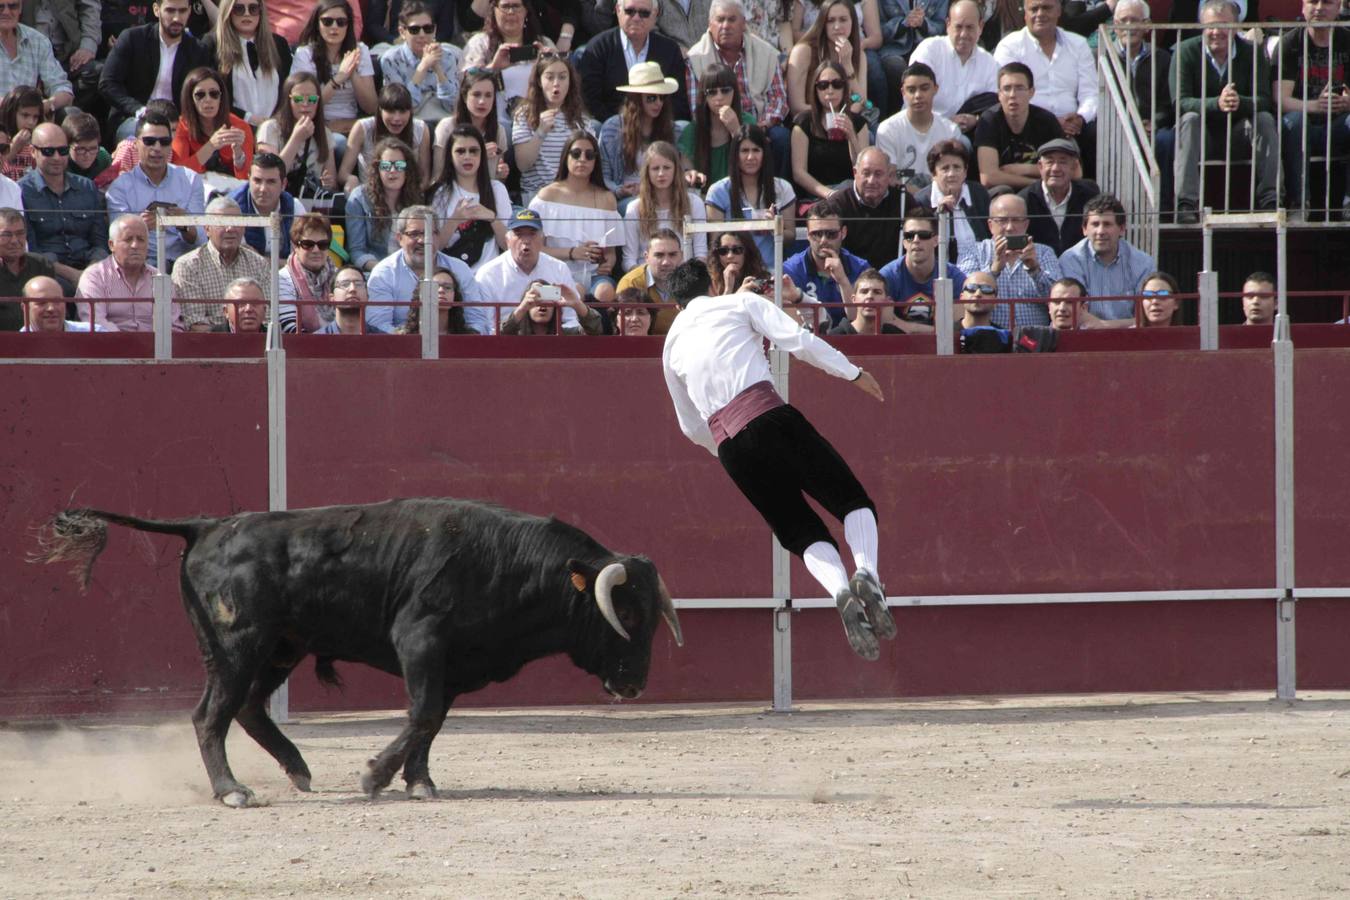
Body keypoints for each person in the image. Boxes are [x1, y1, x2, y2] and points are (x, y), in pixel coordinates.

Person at [660, 258, 894, 661]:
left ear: (675, 302)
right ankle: (867, 574)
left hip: (730, 446)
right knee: (851, 500)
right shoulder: (738, 304)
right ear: (712, 285)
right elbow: (799, 341)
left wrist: (727, 447)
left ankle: (840, 590)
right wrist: (852, 373)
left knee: (800, 531)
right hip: (769, 415)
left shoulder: (670, 346)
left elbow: (689, 426)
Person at [1170, 0, 1278, 221]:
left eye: (1224, 26)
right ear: (1201, 27)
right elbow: (1179, 102)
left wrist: (1240, 102)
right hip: (1202, 136)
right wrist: (1215, 104)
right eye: (1210, 26)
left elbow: (1265, 100)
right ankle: (1186, 203)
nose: (1216, 32)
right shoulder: (1184, 51)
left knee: (1265, 119)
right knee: (1189, 119)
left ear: (1236, 26)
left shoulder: (1252, 52)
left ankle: (1271, 198)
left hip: (1240, 133)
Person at [993, 0, 1097, 172]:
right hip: (1029, 124)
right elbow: (1009, 94)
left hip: (1074, 125)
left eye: (1047, 8)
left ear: (1059, 11)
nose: (1040, 14)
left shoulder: (1078, 44)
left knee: (1097, 134)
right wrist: (1052, 123)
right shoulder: (1009, 46)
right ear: (1025, 13)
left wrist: (1080, 118)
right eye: (1034, 9)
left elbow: (1091, 93)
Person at [686, 0, 790, 164]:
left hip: (760, 124)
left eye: (732, 19)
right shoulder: (695, 58)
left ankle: (778, 188)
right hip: (716, 128)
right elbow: (696, 107)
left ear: (743, 23)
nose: (725, 26)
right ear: (709, 24)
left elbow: (778, 99)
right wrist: (727, 127)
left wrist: (762, 125)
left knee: (781, 137)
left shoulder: (767, 53)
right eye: (720, 20)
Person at [529, 130, 624, 306]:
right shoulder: (547, 195)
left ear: (596, 161)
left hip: (595, 276)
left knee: (606, 292)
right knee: (575, 291)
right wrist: (572, 253)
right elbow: (535, 249)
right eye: (576, 153)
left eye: (589, 155)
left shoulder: (607, 198)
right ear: (566, 157)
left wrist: (607, 265)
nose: (582, 159)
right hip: (553, 276)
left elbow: (611, 254)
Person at [1275, 0, 1350, 218]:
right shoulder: (1290, 43)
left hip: (1337, 127)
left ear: (1339, 8)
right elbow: (1280, 100)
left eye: (1327, 2)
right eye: (1312, 1)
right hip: (1299, 130)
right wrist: (1316, 106)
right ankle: (1299, 204)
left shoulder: (1347, 41)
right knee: (1296, 120)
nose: (1319, 8)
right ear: (1302, 7)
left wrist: (1347, 102)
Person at [105, 111, 207, 268]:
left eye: (164, 141)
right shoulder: (119, 188)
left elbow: (201, 241)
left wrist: (185, 224)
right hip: (139, 265)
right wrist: (139, 226)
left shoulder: (191, 179)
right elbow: (117, 244)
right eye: (149, 141)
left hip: (185, 264)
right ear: (136, 144)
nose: (157, 148)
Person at [100, 0, 211, 143]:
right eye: (170, 11)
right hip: (134, 119)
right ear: (156, 10)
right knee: (146, 138)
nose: (177, 18)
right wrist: (137, 109)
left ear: (190, 11)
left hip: (179, 123)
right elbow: (107, 83)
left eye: (182, 11)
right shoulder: (132, 38)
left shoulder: (198, 50)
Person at [368, 204, 488, 333]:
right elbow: (378, 325)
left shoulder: (459, 269)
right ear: (400, 238)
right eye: (414, 234)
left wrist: (462, 342)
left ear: (438, 236)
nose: (423, 240)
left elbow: (477, 320)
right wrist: (411, 342)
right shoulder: (384, 273)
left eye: (429, 233)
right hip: (400, 348)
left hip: (454, 345)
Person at [19, 122, 107, 292]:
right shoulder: (22, 191)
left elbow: (100, 241)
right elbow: (31, 251)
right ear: (32, 152)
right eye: (48, 151)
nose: (57, 157)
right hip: (47, 272)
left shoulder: (87, 187)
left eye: (63, 151)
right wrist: (74, 275)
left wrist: (89, 274)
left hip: (90, 269)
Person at [471, 207, 586, 334]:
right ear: (507, 240)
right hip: (506, 341)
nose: (526, 241)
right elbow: (487, 326)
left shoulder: (558, 268)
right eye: (519, 234)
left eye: (532, 233)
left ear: (542, 239)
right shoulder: (488, 274)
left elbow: (570, 318)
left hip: (550, 340)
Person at [956, 191, 1061, 327]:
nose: (1010, 227)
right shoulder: (973, 251)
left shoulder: (1044, 252)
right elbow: (966, 296)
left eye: (1016, 220)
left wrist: (1035, 269)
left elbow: (1059, 299)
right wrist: (994, 270)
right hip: (989, 339)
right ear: (990, 225)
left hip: (1034, 339)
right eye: (1003, 221)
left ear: (1026, 224)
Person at [579, 0, 691, 123]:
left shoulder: (669, 50)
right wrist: (622, 124)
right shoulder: (598, 48)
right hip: (613, 126)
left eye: (644, 13)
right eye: (630, 11)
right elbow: (590, 101)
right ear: (618, 10)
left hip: (659, 129)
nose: (636, 18)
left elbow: (678, 102)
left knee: (682, 125)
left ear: (655, 15)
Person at [173, 196, 274, 330]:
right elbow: (195, 325)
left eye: (235, 222)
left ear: (244, 228)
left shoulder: (259, 263)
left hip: (256, 343)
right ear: (207, 228)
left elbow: (269, 318)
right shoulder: (188, 266)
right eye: (222, 222)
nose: (230, 228)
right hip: (211, 347)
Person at [1058, 194, 1157, 327]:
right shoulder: (1070, 259)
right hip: (1085, 337)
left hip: (1130, 339)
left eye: (1107, 224)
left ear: (1122, 229)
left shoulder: (1144, 263)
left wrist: (1104, 325)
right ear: (1084, 229)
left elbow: (1145, 318)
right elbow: (1076, 314)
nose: (1100, 231)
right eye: (1095, 224)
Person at [77, 214, 186, 333]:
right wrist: (130, 344)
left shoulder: (161, 279)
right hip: (110, 348)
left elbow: (173, 326)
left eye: (141, 239)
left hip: (156, 349)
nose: (135, 245)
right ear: (111, 245)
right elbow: (95, 323)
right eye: (128, 240)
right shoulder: (94, 277)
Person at [706, 125, 796, 264]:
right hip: (734, 273)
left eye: (756, 150)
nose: (750, 157)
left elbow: (791, 236)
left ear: (764, 153)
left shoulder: (783, 188)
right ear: (735, 155)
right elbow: (716, 245)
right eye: (744, 151)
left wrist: (775, 228)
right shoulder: (718, 191)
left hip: (772, 273)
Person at [511, 53, 593, 203]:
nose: (556, 83)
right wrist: (541, 131)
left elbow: (591, 163)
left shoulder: (582, 119)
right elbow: (522, 164)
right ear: (539, 81)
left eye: (562, 77)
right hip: (537, 195)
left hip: (573, 195)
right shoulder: (524, 114)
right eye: (549, 77)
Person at [431, 123, 512, 274]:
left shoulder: (497, 189)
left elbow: (509, 246)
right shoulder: (441, 193)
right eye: (460, 151)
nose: (467, 156)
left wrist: (492, 218)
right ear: (450, 155)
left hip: (489, 277)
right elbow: (434, 247)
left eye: (474, 151)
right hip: (452, 276)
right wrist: (455, 219)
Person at [909, 0, 999, 134]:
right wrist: (946, 123)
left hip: (967, 137)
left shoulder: (990, 64)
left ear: (980, 27)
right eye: (958, 27)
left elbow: (995, 109)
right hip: (923, 130)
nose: (963, 34)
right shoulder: (929, 51)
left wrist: (976, 119)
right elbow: (913, 100)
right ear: (948, 25)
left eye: (969, 27)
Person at [291, 0, 378, 138]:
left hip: (353, 125)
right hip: (316, 124)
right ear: (317, 24)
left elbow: (371, 106)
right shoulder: (304, 54)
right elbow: (306, 104)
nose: (334, 27)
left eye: (341, 22)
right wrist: (339, 77)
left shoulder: (360, 51)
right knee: (338, 143)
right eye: (327, 21)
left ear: (348, 25)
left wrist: (352, 72)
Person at [973, 61, 1065, 190]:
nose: (1012, 95)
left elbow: (1073, 170)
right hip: (1006, 194)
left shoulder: (1046, 120)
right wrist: (1037, 185)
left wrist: (1025, 169)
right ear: (999, 94)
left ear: (1031, 92)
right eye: (1006, 88)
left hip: (1041, 192)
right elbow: (989, 177)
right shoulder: (989, 120)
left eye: (1019, 88)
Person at [460, 0, 557, 119]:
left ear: (525, 10)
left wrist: (550, 67)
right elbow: (465, 84)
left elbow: (563, 84)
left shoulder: (544, 43)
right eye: (505, 6)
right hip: (492, 118)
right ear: (494, 10)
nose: (511, 12)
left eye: (516, 6)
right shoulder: (479, 43)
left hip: (539, 116)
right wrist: (493, 68)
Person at [203, 0, 293, 128]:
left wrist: (274, 120)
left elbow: (288, 89)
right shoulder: (212, 44)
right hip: (231, 127)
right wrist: (248, 118)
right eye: (239, 9)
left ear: (261, 11)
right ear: (228, 11)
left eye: (253, 8)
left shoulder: (278, 44)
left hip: (275, 128)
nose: (247, 14)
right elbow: (211, 95)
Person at [790, 60, 870, 203]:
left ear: (845, 88)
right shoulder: (803, 122)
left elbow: (863, 169)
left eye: (837, 84)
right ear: (815, 90)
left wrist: (851, 135)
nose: (830, 90)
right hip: (816, 197)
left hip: (850, 194)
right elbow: (799, 173)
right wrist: (829, 194)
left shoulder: (858, 123)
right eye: (823, 85)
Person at [878, 207, 967, 331]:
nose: (916, 240)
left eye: (923, 235)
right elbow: (886, 323)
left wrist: (910, 328)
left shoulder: (954, 277)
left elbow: (958, 325)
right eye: (909, 236)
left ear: (936, 240)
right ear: (904, 242)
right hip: (897, 344)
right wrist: (931, 331)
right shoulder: (888, 276)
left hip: (942, 348)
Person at [874, 62, 963, 187]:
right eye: (911, 90)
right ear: (903, 92)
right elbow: (890, 178)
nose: (918, 95)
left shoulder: (950, 130)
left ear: (935, 89)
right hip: (902, 198)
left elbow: (954, 176)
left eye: (924, 88)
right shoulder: (887, 129)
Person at [599, 62, 680, 199]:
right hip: (626, 197)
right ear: (635, 99)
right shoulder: (612, 128)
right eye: (651, 98)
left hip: (662, 195)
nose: (658, 103)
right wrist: (620, 190)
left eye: (662, 97)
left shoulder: (672, 129)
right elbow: (603, 177)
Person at [623, 140, 708, 270]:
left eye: (667, 167)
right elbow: (629, 260)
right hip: (647, 277)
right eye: (655, 168)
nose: (661, 173)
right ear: (647, 172)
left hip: (685, 276)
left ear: (676, 170)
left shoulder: (694, 203)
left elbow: (701, 253)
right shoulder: (634, 208)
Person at [783, 202, 868, 328]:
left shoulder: (861, 269)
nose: (823, 240)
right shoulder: (790, 270)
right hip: (809, 341)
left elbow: (860, 320)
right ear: (807, 234)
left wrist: (843, 281)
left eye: (831, 234)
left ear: (843, 233)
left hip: (850, 341)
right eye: (816, 234)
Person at [347, 138, 425, 273]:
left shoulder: (418, 198)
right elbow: (356, 251)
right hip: (375, 271)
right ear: (378, 169)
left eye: (399, 165)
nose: (393, 170)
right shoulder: (359, 198)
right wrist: (384, 270)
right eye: (386, 166)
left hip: (411, 270)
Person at [256, 71, 339, 197]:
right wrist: (296, 138)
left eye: (312, 99)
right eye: (298, 99)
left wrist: (327, 182)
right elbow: (271, 175)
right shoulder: (270, 129)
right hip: (278, 199)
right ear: (287, 100)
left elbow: (332, 183)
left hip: (310, 203)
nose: (305, 104)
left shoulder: (325, 134)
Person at [678, 62, 758, 191]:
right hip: (706, 199)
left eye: (725, 90)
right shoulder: (692, 131)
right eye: (712, 92)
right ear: (704, 96)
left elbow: (753, 166)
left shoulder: (748, 122)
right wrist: (690, 175)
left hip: (742, 194)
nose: (719, 97)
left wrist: (736, 131)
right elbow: (687, 171)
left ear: (734, 92)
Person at [339, 84, 432, 191]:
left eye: (402, 112)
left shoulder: (420, 129)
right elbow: (343, 173)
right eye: (391, 111)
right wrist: (351, 179)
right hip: (370, 194)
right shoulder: (362, 128)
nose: (397, 118)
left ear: (410, 112)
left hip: (407, 196)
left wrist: (411, 195)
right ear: (380, 110)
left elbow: (425, 177)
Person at [785, 0, 869, 119]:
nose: (837, 26)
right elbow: (796, 107)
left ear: (853, 22)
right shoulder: (803, 51)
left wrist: (847, 65)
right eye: (830, 21)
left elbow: (862, 102)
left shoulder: (859, 55)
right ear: (822, 24)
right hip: (811, 122)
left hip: (847, 121)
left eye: (843, 20)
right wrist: (833, 115)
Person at [379, 2, 462, 122]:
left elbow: (453, 106)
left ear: (434, 30)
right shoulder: (390, 60)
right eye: (414, 30)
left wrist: (438, 69)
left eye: (428, 29)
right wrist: (423, 67)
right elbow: (401, 107)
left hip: (444, 120)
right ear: (402, 32)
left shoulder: (448, 56)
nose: (422, 35)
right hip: (409, 123)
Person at [826, 146, 903, 271]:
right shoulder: (837, 204)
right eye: (866, 173)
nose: (871, 181)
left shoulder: (903, 201)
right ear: (855, 173)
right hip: (849, 277)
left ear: (889, 176)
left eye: (878, 174)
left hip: (892, 280)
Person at [173, 67, 255, 180]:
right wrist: (211, 146)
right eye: (200, 95)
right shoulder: (181, 126)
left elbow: (247, 178)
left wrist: (239, 155)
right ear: (191, 99)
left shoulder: (239, 127)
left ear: (221, 98)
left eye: (214, 94)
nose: (208, 99)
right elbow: (178, 173)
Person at [432, 69, 511, 187]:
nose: (482, 101)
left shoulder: (499, 131)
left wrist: (501, 174)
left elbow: (496, 181)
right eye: (476, 94)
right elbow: (438, 175)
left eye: (488, 95)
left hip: (486, 195)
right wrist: (479, 154)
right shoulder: (447, 127)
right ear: (464, 96)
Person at [1019, 137, 1097, 255]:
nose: (1055, 169)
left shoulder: (1089, 197)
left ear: (1074, 167)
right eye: (1049, 162)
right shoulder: (1024, 200)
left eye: (1063, 162)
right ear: (1040, 167)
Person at [0, 1, 73, 116]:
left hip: (30, 120)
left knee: (71, 114)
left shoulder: (38, 41)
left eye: (13, 6)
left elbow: (62, 88)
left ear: (20, 8)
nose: (6, 12)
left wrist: (48, 105)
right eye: (0, 7)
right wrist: (10, 106)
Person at [228, 152, 305, 259]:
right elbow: (240, 262)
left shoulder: (295, 207)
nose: (263, 189)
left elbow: (302, 260)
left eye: (271, 182)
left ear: (283, 184)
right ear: (248, 180)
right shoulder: (232, 208)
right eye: (257, 181)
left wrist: (259, 259)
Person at [924, 139, 991, 261]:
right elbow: (922, 244)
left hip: (978, 270)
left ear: (965, 172)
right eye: (945, 168)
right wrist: (937, 215)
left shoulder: (978, 194)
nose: (951, 174)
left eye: (957, 167)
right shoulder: (921, 201)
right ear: (933, 174)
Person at [614, 225, 683, 333]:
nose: (666, 262)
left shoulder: (691, 284)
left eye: (672, 255)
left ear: (681, 256)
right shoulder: (631, 283)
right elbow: (625, 330)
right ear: (646, 257)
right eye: (659, 255)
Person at [275, 213, 337, 333]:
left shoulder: (340, 277)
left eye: (322, 244)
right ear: (295, 246)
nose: (316, 250)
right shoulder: (283, 279)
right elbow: (290, 328)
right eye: (308, 244)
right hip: (300, 348)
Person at [0, 205, 59, 330]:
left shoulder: (42, 265)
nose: (15, 240)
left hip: (38, 342)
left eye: (20, 233)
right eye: (6, 235)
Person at [499, 277, 604, 334]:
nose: (542, 304)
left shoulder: (565, 335)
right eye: (536, 300)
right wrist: (522, 308)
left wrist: (577, 304)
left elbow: (594, 330)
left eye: (547, 299)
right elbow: (500, 334)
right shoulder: (516, 336)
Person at [399, 265, 478, 334]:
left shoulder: (468, 337)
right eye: (434, 287)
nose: (441, 291)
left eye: (447, 287)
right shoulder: (403, 336)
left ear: (455, 296)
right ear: (421, 293)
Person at [828, 267, 906, 334]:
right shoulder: (834, 337)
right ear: (854, 299)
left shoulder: (897, 336)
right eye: (864, 292)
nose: (870, 296)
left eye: (877, 292)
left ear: (887, 301)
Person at [20, 275, 107, 332]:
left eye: (57, 301)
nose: (51, 308)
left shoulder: (95, 333)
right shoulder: (16, 345)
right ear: (25, 307)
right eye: (42, 302)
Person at [316, 264, 382, 333]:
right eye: (345, 284)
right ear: (332, 298)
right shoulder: (314, 341)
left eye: (358, 284)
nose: (352, 289)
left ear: (367, 296)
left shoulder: (384, 341)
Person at [707, 229, 770, 296]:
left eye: (737, 250)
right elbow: (720, 307)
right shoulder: (712, 281)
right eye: (723, 250)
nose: (730, 256)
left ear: (747, 252)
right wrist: (728, 289)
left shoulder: (762, 278)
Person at [62, 112, 113, 190]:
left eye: (93, 148)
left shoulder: (103, 158)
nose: (87, 155)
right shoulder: (60, 165)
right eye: (81, 149)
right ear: (67, 145)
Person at [0, 84, 39, 181]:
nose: (31, 122)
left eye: (35, 117)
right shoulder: (2, 139)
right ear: (11, 113)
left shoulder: (35, 144)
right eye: (25, 115)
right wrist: (14, 148)